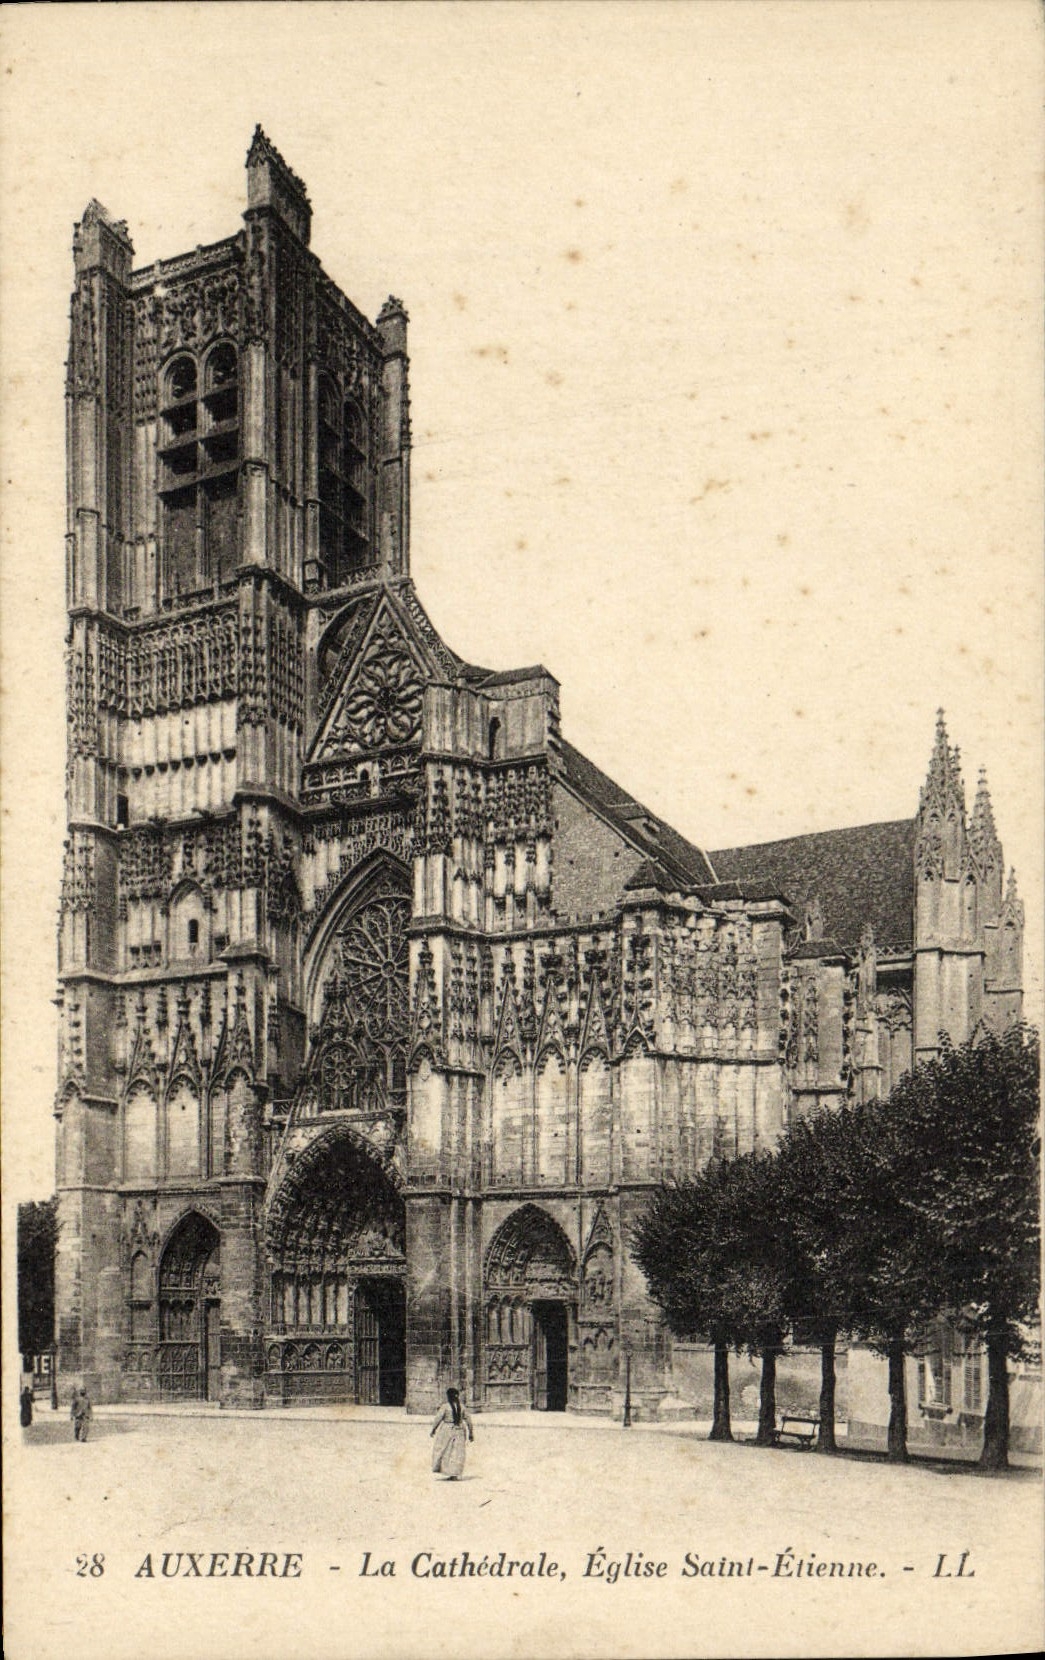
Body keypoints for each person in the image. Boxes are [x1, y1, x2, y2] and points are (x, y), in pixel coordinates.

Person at [430, 1386, 473, 1480]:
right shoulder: (462, 1407)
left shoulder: (445, 1406)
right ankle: (455, 1473)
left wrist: (433, 1429)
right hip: (460, 1429)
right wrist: (471, 1433)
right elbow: (468, 1420)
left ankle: (448, 1471)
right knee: (457, 1452)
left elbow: (438, 1418)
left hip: (447, 1429)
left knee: (445, 1450)